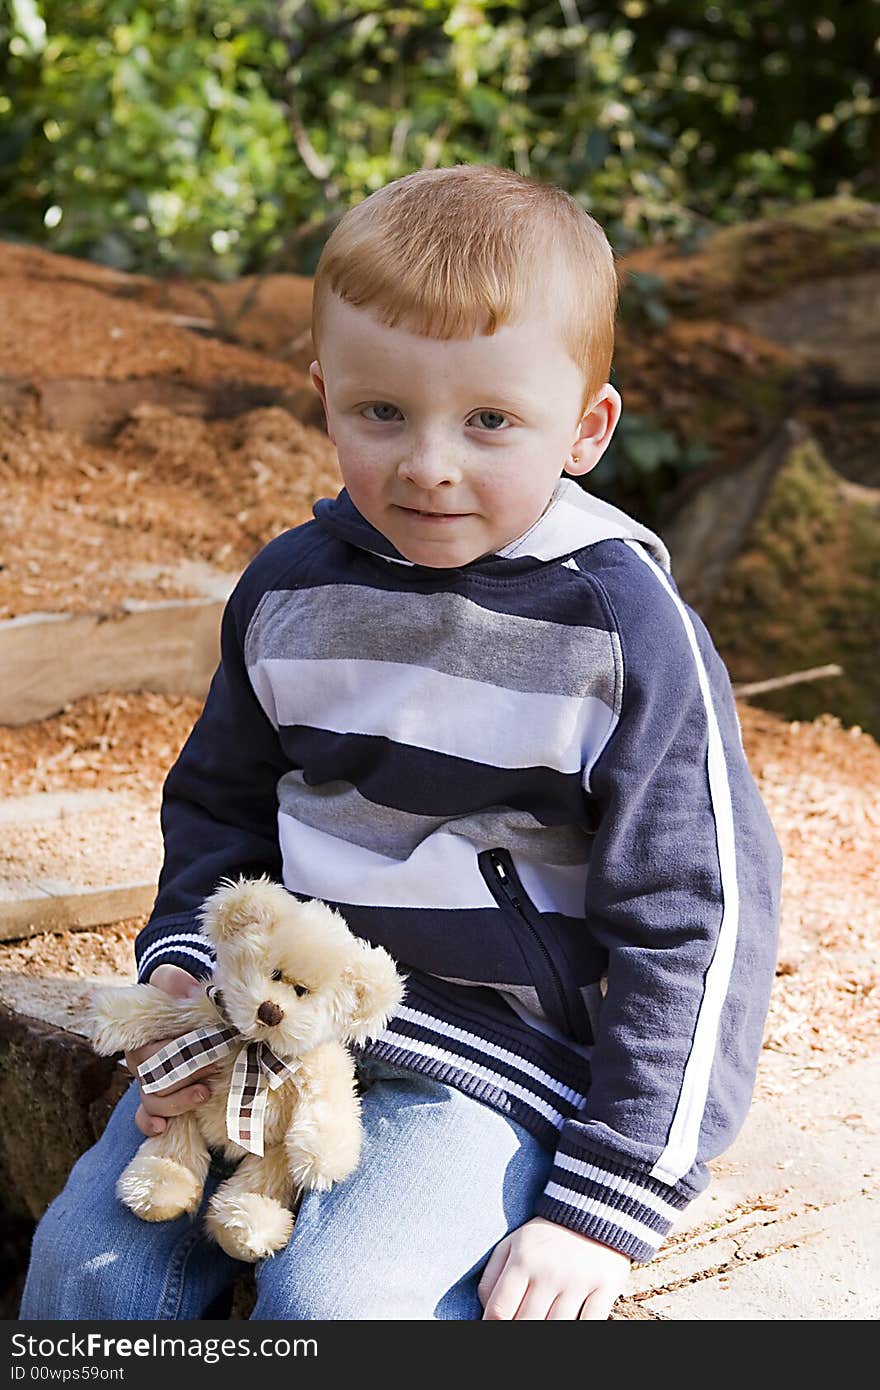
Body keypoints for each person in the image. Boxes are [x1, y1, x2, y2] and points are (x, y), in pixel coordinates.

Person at [20, 163, 782, 1321]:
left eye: (489, 420)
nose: (429, 461)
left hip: (491, 1066)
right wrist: (185, 958)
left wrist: (608, 1199)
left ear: (587, 428)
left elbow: (698, 917)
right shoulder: (289, 590)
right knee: (86, 1277)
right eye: (382, 412)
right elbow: (223, 802)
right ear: (325, 395)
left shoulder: (620, 630)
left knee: (339, 1306)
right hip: (266, 1025)